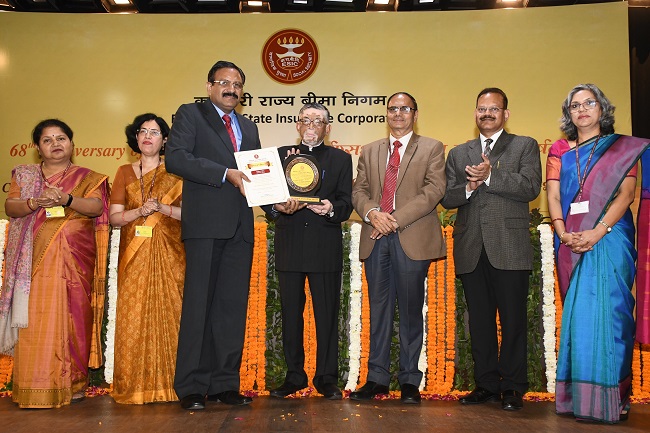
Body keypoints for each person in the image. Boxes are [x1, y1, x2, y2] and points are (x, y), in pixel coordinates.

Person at [547, 84, 650, 423]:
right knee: (580, 319)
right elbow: (554, 195)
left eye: (589, 103)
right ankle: (580, 400)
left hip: (610, 237)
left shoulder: (622, 148)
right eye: (575, 105)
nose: (582, 109)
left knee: (613, 316)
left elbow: (626, 194)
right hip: (571, 239)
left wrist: (597, 231)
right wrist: (563, 233)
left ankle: (613, 400)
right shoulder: (561, 151)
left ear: (602, 108)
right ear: (568, 114)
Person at [165, 60, 261, 410]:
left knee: (231, 309)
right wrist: (225, 173)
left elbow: (256, 175)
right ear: (209, 87)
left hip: (240, 228)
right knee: (199, 306)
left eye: (237, 84)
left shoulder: (248, 126)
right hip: (205, 226)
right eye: (224, 82)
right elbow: (176, 158)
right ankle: (192, 386)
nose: (231, 89)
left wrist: (278, 200)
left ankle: (224, 383)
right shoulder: (191, 114)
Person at [441, 88, 541, 411]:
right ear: (475, 113)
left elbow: (530, 187)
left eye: (494, 109)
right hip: (471, 247)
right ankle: (485, 384)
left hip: (509, 246)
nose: (487, 113)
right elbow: (447, 197)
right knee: (480, 322)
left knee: (512, 321)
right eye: (482, 109)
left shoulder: (524, 145)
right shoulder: (459, 153)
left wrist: (489, 176)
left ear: (505, 114)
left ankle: (512, 387)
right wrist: (469, 187)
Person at [0, 119, 109, 408]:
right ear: (38, 148)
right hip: (32, 264)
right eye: (47, 140)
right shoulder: (25, 176)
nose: (55, 144)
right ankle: (32, 385)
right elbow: (11, 206)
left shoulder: (88, 177)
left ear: (72, 143)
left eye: (61, 138)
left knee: (74, 316)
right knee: (34, 317)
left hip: (75, 262)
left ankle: (73, 383)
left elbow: (96, 207)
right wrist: (34, 202)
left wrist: (66, 198)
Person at [350, 92, 446, 404]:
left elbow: (434, 190)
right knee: (378, 311)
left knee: (409, 309)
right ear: (387, 114)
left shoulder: (431, 147)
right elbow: (359, 190)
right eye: (393, 109)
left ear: (415, 114)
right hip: (375, 237)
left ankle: (409, 380)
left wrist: (393, 219)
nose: (398, 113)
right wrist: (372, 214)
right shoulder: (370, 150)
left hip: (411, 236)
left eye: (405, 108)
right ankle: (376, 378)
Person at [266, 103, 352, 400]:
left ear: (328, 128)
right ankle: (294, 376)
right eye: (306, 120)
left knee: (326, 315)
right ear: (297, 125)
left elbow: (346, 202)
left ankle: (326, 377)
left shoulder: (341, 159)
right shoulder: (281, 156)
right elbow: (265, 195)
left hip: (324, 245)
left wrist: (331, 209)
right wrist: (277, 206)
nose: (312, 125)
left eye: (318, 121)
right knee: (291, 314)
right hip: (290, 243)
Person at [109, 113, 184, 404]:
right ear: (136, 138)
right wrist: (139, 212)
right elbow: (115, 218)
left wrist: (164, 210)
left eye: (154, 132)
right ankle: (134, 385)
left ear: (164, 140)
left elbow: (192, 215)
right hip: (134, 254)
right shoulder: (124, 172)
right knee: (134, 315)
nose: (148, 136)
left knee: (172, 313)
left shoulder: (177, 172)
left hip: (171, 254)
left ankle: (173, 384)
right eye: (142, 131)